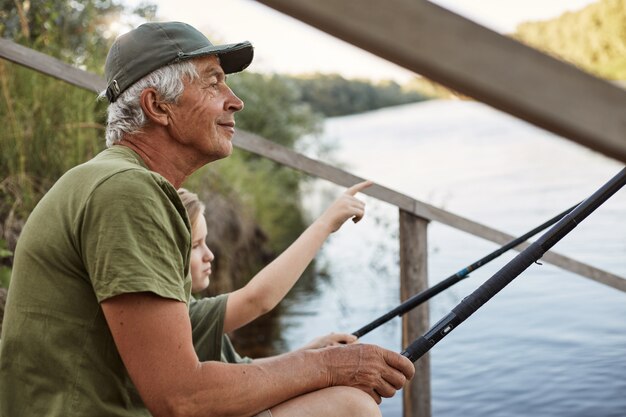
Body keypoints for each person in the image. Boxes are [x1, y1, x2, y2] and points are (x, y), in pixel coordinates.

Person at [0, 21, 414, 417]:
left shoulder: (116, 182)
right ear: (157, 106)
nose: (235, 100)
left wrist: (309, 361)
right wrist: (331, 368)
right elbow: (183, 399)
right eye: (213, 82)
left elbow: (180, 355)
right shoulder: (126, 191)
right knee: (347, 406)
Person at [179, 186, 362, 366]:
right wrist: (325, 223)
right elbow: (256, 300)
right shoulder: (183, 317)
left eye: (206, 242)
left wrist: (309, 352)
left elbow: (242, 368)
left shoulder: (186, 309)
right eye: (195, 245)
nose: (209, 255)